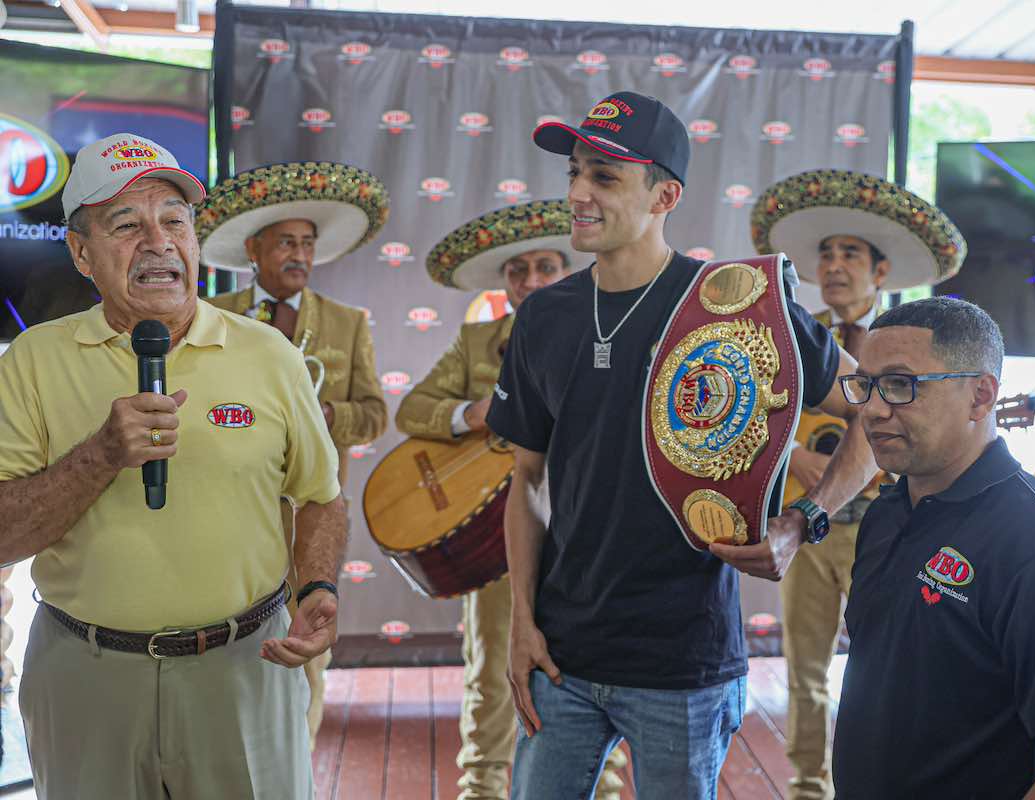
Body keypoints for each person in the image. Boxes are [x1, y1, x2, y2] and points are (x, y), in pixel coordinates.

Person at [485, 91, 879, 800]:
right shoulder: (544, 316)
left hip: (684, 664)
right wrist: (521, 623)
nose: (576, 193)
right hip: (561, 658)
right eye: (574, 172)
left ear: (665, 194)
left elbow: (877, 411)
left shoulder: (739, 306)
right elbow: (528, 482)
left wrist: (804, 521)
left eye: (604, 177)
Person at [0, 133, 345, 798]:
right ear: (81, 253)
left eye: (175, 220)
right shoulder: (32, 364)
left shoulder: (269, 355)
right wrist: (100, 456)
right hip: (85, 679)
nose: (157, 241)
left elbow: (321, 497)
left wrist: (321, 589)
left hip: (247, 667)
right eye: (126, 223)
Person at [832, 296, 1035, 798]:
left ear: (981, 396)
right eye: (866, 386)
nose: (874, 410)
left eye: (902, 385)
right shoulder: (886, 511)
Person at [397, 199, 627, 799]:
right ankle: (481, 789)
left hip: (586, 537)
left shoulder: (609, 332)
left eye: (544, 268)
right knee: (491, 674)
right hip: (497, 536)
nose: (530, 282)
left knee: (594, 673)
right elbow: (411, 409)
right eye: (517, 271)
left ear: (569, 269)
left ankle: (600, 792)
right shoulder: (478, 343)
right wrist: (479, 413)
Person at [750, 168, 966, 799]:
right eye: (826, 254)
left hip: (886, 529)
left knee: (882, 669)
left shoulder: (910, 347)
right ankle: (809, 787)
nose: (835, 265)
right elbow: (744, 416)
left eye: (851, 254)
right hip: (806, 529)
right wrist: (794, 455)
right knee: (805, 670)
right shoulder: (787, 338)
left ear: (880, 273)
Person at [196, 161, 389, 747]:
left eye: (307, 243)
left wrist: (326, 415)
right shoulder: (213, 311)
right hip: (225, 512)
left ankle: (296, 766)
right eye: (286, 242)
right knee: (218, 644)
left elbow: (376, 415)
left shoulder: (348, 323)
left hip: (311, 515)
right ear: (254, 249)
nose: (300, 254)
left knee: (306, 651)